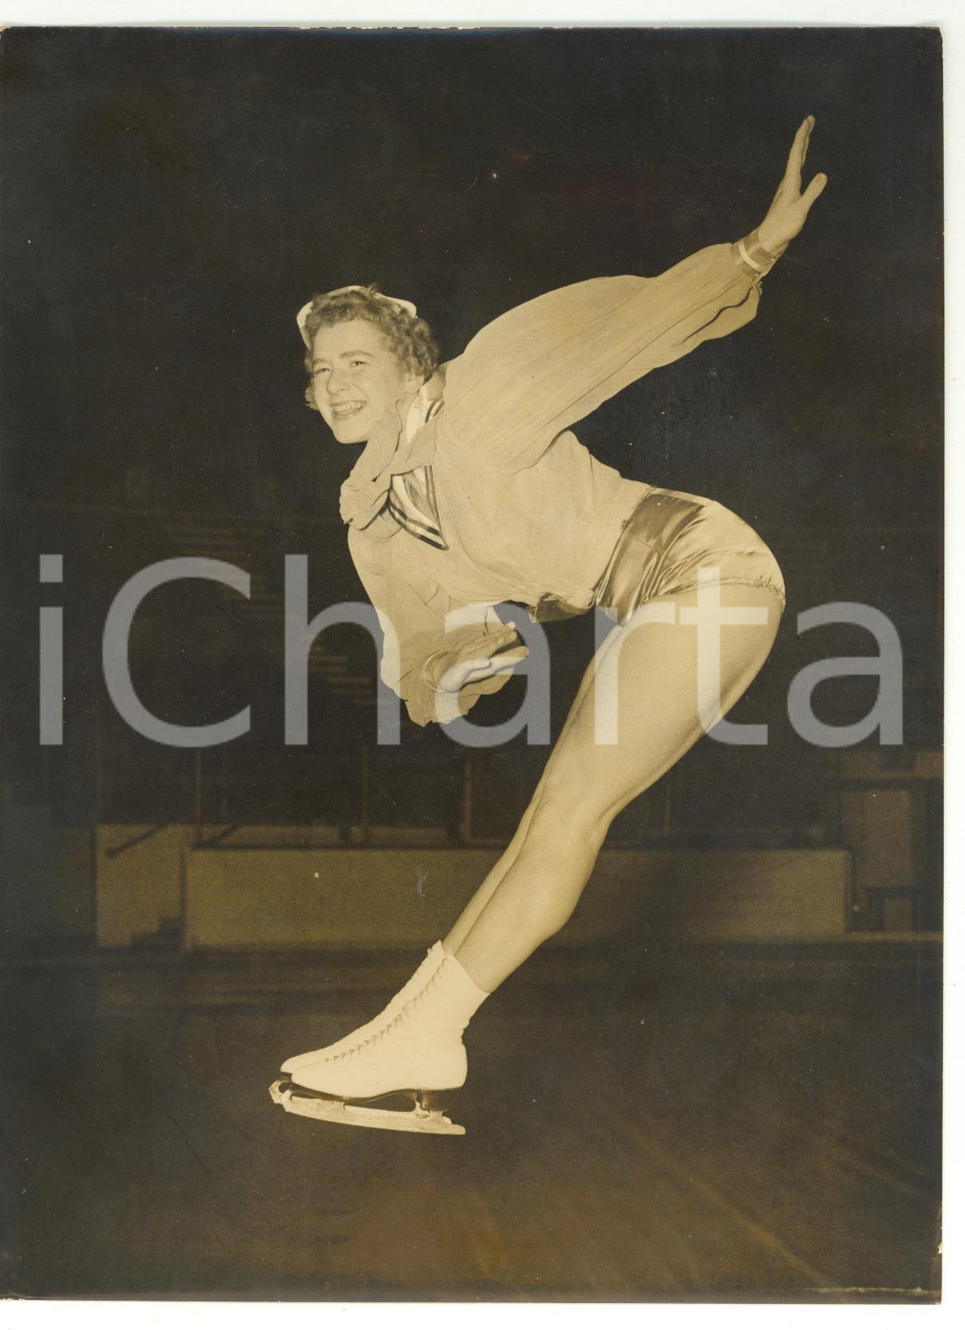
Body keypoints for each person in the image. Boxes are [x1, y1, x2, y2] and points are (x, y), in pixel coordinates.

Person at [269, 118, 827, 1134]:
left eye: (356, 360)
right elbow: (431, 645)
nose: (336, 383)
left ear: (406, 365)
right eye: (320, 371)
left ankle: (429, 1030)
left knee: (569, 804)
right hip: (648, 596)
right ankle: (410, 1024)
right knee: (549, 817)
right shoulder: (372, 515)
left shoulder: (482, 392)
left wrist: (750, 254)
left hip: (707, 562)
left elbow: (631, 331)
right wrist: (455, 670)